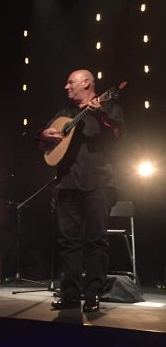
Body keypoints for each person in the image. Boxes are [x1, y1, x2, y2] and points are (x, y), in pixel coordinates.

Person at [37, 70, 125, 312]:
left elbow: (118, 133)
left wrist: (101, 113)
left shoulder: (110, 106)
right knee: (68, 241)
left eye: (70, 82)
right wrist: (43, 135)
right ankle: (70, 294)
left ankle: (93, 293)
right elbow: (43, 141)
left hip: (98, 182)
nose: (66, 87)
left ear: (86, 83)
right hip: (67, 184)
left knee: (96, 239)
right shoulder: (64, 114)